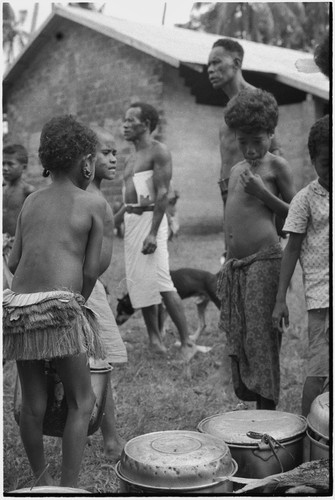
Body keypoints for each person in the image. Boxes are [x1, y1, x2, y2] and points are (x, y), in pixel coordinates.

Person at [3, 115, 108, 487]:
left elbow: (13, 262)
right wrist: (75, 309)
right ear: (86, 162)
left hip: (17, 310)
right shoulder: (94, 203)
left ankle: (40, 481)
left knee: (32, 404)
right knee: (82, 401)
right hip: (61, 308)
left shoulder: (31, 200)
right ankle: (67, 488)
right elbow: (92, 271)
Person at [216, 88, 295, 410]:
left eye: (257, 141)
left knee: (262, 340)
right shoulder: (236, 170)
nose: (249, 149)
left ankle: (268, 412)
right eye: (242, 141)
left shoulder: (278, 167)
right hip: (237, 266)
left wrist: (264, 194)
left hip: (264, 261)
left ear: (271, 133)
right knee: (244, 337)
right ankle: (255, 405)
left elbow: (295, 215)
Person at [119, 102, 198, 362]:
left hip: (152, 221)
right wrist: (113, 219)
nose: (125, 124)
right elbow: (129, 200)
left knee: (162, 281)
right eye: (125, 120)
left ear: (147, 124)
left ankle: (187, 342)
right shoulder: (130, 158)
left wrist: (153, 233)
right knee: (140, 283)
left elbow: (163, 193)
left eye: (132, 120)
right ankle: (154, 338)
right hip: (131, 223)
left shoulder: (159, 151)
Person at [272, 115, 329, 417]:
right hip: (322, 298)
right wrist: (281, 299)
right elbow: (291, 249)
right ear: (312, 160)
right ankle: (308, 434)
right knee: (320, 369)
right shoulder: (305, 200)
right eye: (326, 162)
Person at [207, 38, 283, 259]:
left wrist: (266, 193)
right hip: (228, 192)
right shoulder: (229, 107)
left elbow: (276, 150)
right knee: (232, 258)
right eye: (208, 65)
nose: (210, 70)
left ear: (236, 63)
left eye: (216, 62)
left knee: (257, 259)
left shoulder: (256, 100)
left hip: (251, 190)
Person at [86, 125, 127, 460]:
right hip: (81, 291)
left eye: (115, 152)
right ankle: (111, 440)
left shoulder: (90, 196)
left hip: (86, 287)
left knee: (97, 366)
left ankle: (109, 437)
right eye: (106, 152)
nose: (114, 158)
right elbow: (95, 263)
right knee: (98, 366)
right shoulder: (91, 200)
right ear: (86, 158)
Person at [3, 144, 35, 288]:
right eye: (2, 163)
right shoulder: (3, 189)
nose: (4, 168)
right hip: (2, 245)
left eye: (10, 164)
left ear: (23, 167)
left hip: (18, 248)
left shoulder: (27, 191)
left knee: (16, 287)